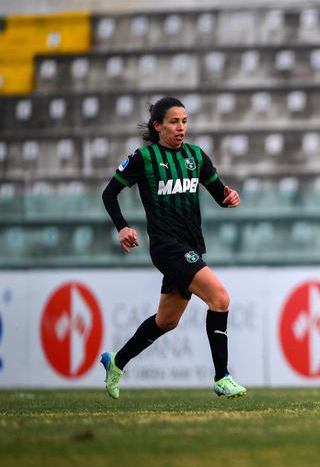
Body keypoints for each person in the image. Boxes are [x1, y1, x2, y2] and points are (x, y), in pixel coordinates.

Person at [99, 96, 247, 399]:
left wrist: (229, 197)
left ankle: (116, 361)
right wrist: (122, 227)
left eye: (185, 121)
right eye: (174, 122)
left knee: (166, 321)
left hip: (192, 245)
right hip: (167, 247)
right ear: (158, 126)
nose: (181, 128)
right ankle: (222, 377)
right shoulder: (144, 159)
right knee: (219, 299)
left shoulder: (196, 156)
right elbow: (109, 194)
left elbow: (220, 194)